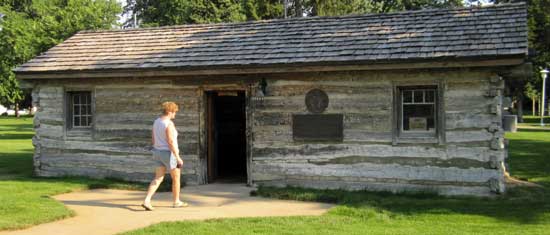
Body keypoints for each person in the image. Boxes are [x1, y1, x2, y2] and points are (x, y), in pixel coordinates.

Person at [142, 102, 188, 210]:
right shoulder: (169, 124)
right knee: (176, 178)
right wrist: (177, 157)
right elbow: (171, 141)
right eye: (174, 112)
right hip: (169, 154)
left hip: (157, 152)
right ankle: (176, 202)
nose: (175, 114)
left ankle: (147, 200)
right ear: (169, 112)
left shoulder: (156, 122)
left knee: (158, 178)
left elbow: (153, 140)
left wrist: (157, 148)